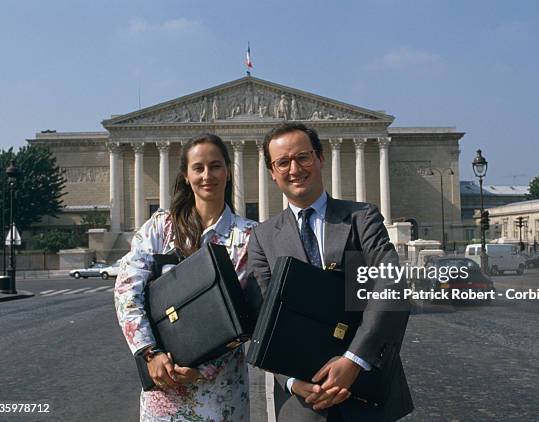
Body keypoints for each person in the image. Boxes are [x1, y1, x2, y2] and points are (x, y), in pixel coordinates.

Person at [248, 123, 413, 422]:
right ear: (272, 172)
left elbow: (391, 285)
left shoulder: (362, 218)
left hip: (368, 391)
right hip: (302, 403)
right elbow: (264, 319)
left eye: (303, 157)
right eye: (282, 162)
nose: (294, 169)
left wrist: (354, 360)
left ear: (320, 158)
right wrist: (292, 382)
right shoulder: (263, 237)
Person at [114, 133, 257, 421]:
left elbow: (249, 315)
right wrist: (149, 353)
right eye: (198, 168)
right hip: (163, 387)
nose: (208, 175)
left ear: (228, 171)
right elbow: (127, 289)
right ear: (186, 175)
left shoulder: (250, 236)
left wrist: (201, 368)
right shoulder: (160, 227)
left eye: (216, 166)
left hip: (220, 392)